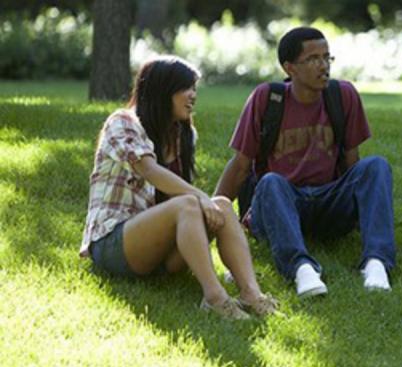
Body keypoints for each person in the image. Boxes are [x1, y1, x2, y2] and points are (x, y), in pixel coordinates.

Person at [80, 56, 279, 320]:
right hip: (113, 243)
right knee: (189, 203)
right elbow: (149, 170)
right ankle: (215, 298)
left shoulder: (184, 134)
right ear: (163, 90)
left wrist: (206, 202)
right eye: (186, 88)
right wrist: (198, 196)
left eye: (194, 88)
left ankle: (252, 294)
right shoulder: (123, 122)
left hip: (158, 252)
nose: (193, 96)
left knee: (221, 203)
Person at [214, 27, 395, 297]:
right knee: (271, 181)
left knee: (376, 165)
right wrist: (212, 214)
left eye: (327, 57)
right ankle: (301, 269)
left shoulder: (342, 95)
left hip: (326, 202)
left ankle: (376, 262)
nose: (323, 66)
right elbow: (241, 166)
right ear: (290, 68)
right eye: (313, 59)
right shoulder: (267, 98)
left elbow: (352, 163)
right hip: (280, 204)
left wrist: (363, 208)